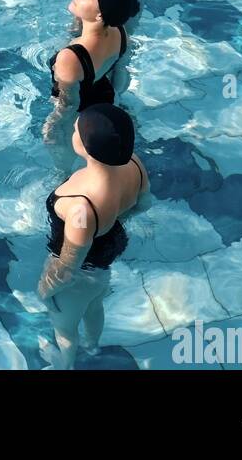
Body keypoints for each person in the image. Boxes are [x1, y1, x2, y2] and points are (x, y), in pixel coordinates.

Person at [37, 103, 149, 369]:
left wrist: (45, 289)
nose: (73, 128)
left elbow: (68, 265)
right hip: (106, 254)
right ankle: (92, 345)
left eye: (76, 129)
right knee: (94, 305)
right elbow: (144, 204)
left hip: (81, 270)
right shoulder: (134, 163)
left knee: (64, 326)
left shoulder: (81, 206)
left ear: (87, 147)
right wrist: (114, 219)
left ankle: (64, 365)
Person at [44, 0, 139, 171]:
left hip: (81, 116)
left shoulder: (70, 58)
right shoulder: (120, 33)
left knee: (62, 162)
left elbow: (69, 104)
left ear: (100, 16)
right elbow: (120, 73)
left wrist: (52, 126)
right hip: (106, 95)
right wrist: (116, 103)